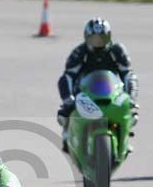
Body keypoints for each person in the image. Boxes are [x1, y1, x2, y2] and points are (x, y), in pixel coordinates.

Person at [56, 18, 139, 150]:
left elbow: (128, 75)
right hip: (85, 94)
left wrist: (131, 98)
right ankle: (68, 134)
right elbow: (67, 77)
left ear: (109, 37)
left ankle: (123, 138)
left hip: (112, 92)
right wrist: (68, 99)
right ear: (87, 37)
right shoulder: (80, 52)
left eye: (102, 38)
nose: (98, 42)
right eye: (94, 38)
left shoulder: (117, 50)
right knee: (63, 116)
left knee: (133, 114)